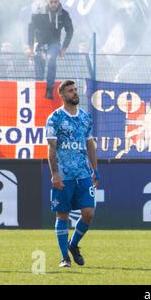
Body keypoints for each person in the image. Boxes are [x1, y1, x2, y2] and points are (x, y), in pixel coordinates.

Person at [46, 80, 99, 268]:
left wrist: (95, 169)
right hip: (64, 176)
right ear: (62, 95)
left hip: (83, 175)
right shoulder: (55, 118)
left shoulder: (85, 118)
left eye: (75, 90)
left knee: (89, 213)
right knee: (62, 215)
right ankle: (64, 257)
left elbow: (90, 144)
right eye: (70, 91)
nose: (75, 93)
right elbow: (51, 148)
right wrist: (55, 173)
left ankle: (73, 244)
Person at [26, 0, 73, 99]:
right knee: (39, 64)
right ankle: (39, 88)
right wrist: (30, 47)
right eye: (51, 2)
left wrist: (64, 48)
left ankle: (49, 89)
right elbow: (30, 29)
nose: (53, 4)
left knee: (51, 59)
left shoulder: (64, 14)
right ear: (47, 1)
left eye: (55, 2)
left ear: (58, 1)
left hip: (54, 44)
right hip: (41, 43)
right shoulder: (39, 13)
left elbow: (70, 30)